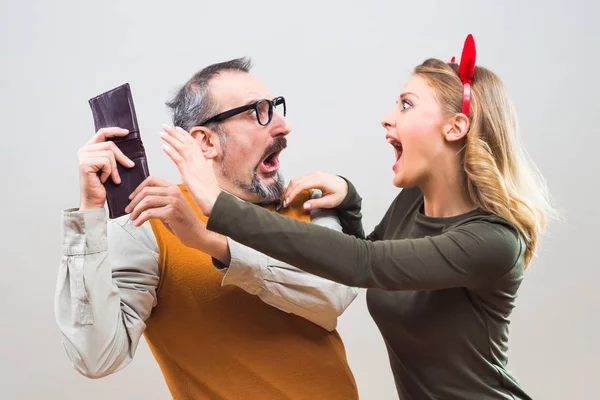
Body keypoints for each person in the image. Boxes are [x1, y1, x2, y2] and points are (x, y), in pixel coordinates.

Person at [161, 36, 555, 400]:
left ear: (455, 127)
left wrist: (218, 207)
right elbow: (366, 256)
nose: (388, 118)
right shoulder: (413, 201)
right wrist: (349, 201)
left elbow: (366, 264)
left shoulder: (493, 242)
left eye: (406, 104)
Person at [55, 57, 359, 400]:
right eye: (258, 112)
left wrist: (213, 243)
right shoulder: (152, 224)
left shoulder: (308, 200)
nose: (283, 125)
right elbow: (96, 357)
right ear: (206, 142)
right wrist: (89, 214)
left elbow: (335, 295)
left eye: (276, 108)